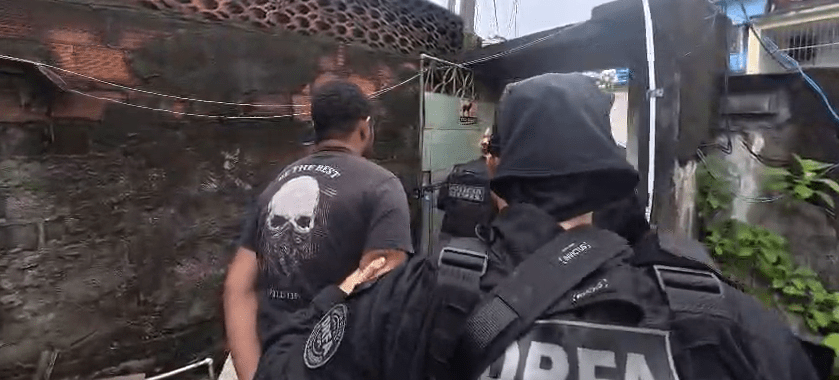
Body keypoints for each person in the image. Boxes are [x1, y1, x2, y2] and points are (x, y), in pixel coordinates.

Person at [253, 73, 823, 380]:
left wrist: (339, 295)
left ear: (500, 168)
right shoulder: (721, 315)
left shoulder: (420, 296)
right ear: (608, 169)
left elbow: (281, 369)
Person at [223, 79, 414, 380]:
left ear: (316, 127)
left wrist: (254, 374)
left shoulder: (276, 186)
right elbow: (383, 297)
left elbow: (238, 287)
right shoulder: (382, 187)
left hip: (274, 364)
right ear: (364, 128)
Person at [436, 131, 496, 240]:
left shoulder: (458, 170)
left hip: (450, 239)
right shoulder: (497, 176)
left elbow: (441, 203)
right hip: (482, 241)